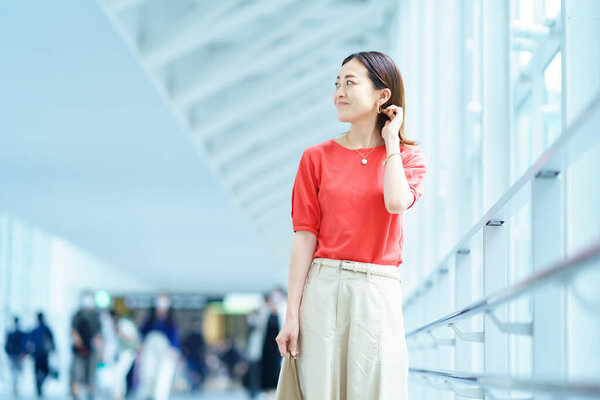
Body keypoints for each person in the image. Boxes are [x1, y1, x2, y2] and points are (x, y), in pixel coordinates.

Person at [275, 51, 428, 399]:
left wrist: (391, 142)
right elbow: (304, 239)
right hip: (323, 288)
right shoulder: (315, 158)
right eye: (337, 84)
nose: (338, 93)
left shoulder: (408, 158)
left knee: (377, 390)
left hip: (377, 291)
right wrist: (292, 316)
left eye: (350, 83)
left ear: (382, 96)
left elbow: (395, 202)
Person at [138, 292, 180, 400]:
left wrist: (173, 349)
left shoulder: (171, 320)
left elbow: (174, 336)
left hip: (165, 348)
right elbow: (142, 332)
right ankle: (148, 395)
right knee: (149, 372)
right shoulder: (150, 318)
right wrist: (141, 345)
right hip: (150, 346)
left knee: (163, 375)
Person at [70, 291, 102, 400]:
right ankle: (76, 396)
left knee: (91, 375)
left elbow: (99, 334)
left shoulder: (96, 315)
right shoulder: (77, 315)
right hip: (79, 349)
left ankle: (90, 395)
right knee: (76, 374)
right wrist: (78, 341)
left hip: (92, 349)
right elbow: (73, 331)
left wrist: (100, 349)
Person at [27, 312, 56, 398]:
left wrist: (28, 352)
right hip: (43, 354)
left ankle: (39, 385)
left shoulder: (35, 329)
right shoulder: (46, 329)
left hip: (37, 354)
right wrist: (53, 350)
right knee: (45, 370)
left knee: (38, 371)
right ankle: (40, 384)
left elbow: (29, 342)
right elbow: (52, 341)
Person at [180, 318, 208, 392]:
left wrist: (203, 355)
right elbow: (184, 346)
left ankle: (196, 385)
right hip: (191, 357)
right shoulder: (188, 336)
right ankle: (192, 385)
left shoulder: (200, 336)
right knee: (191, 371)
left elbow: (203, 347)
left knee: (197, 372)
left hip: (198, 358)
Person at [5, 316, 26, 397]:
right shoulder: (13, 333)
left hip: (16, 355)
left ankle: (16, 386)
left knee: (16, 371)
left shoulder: (13, 333)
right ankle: (15, 386)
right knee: (16, 371)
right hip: (15, 355)